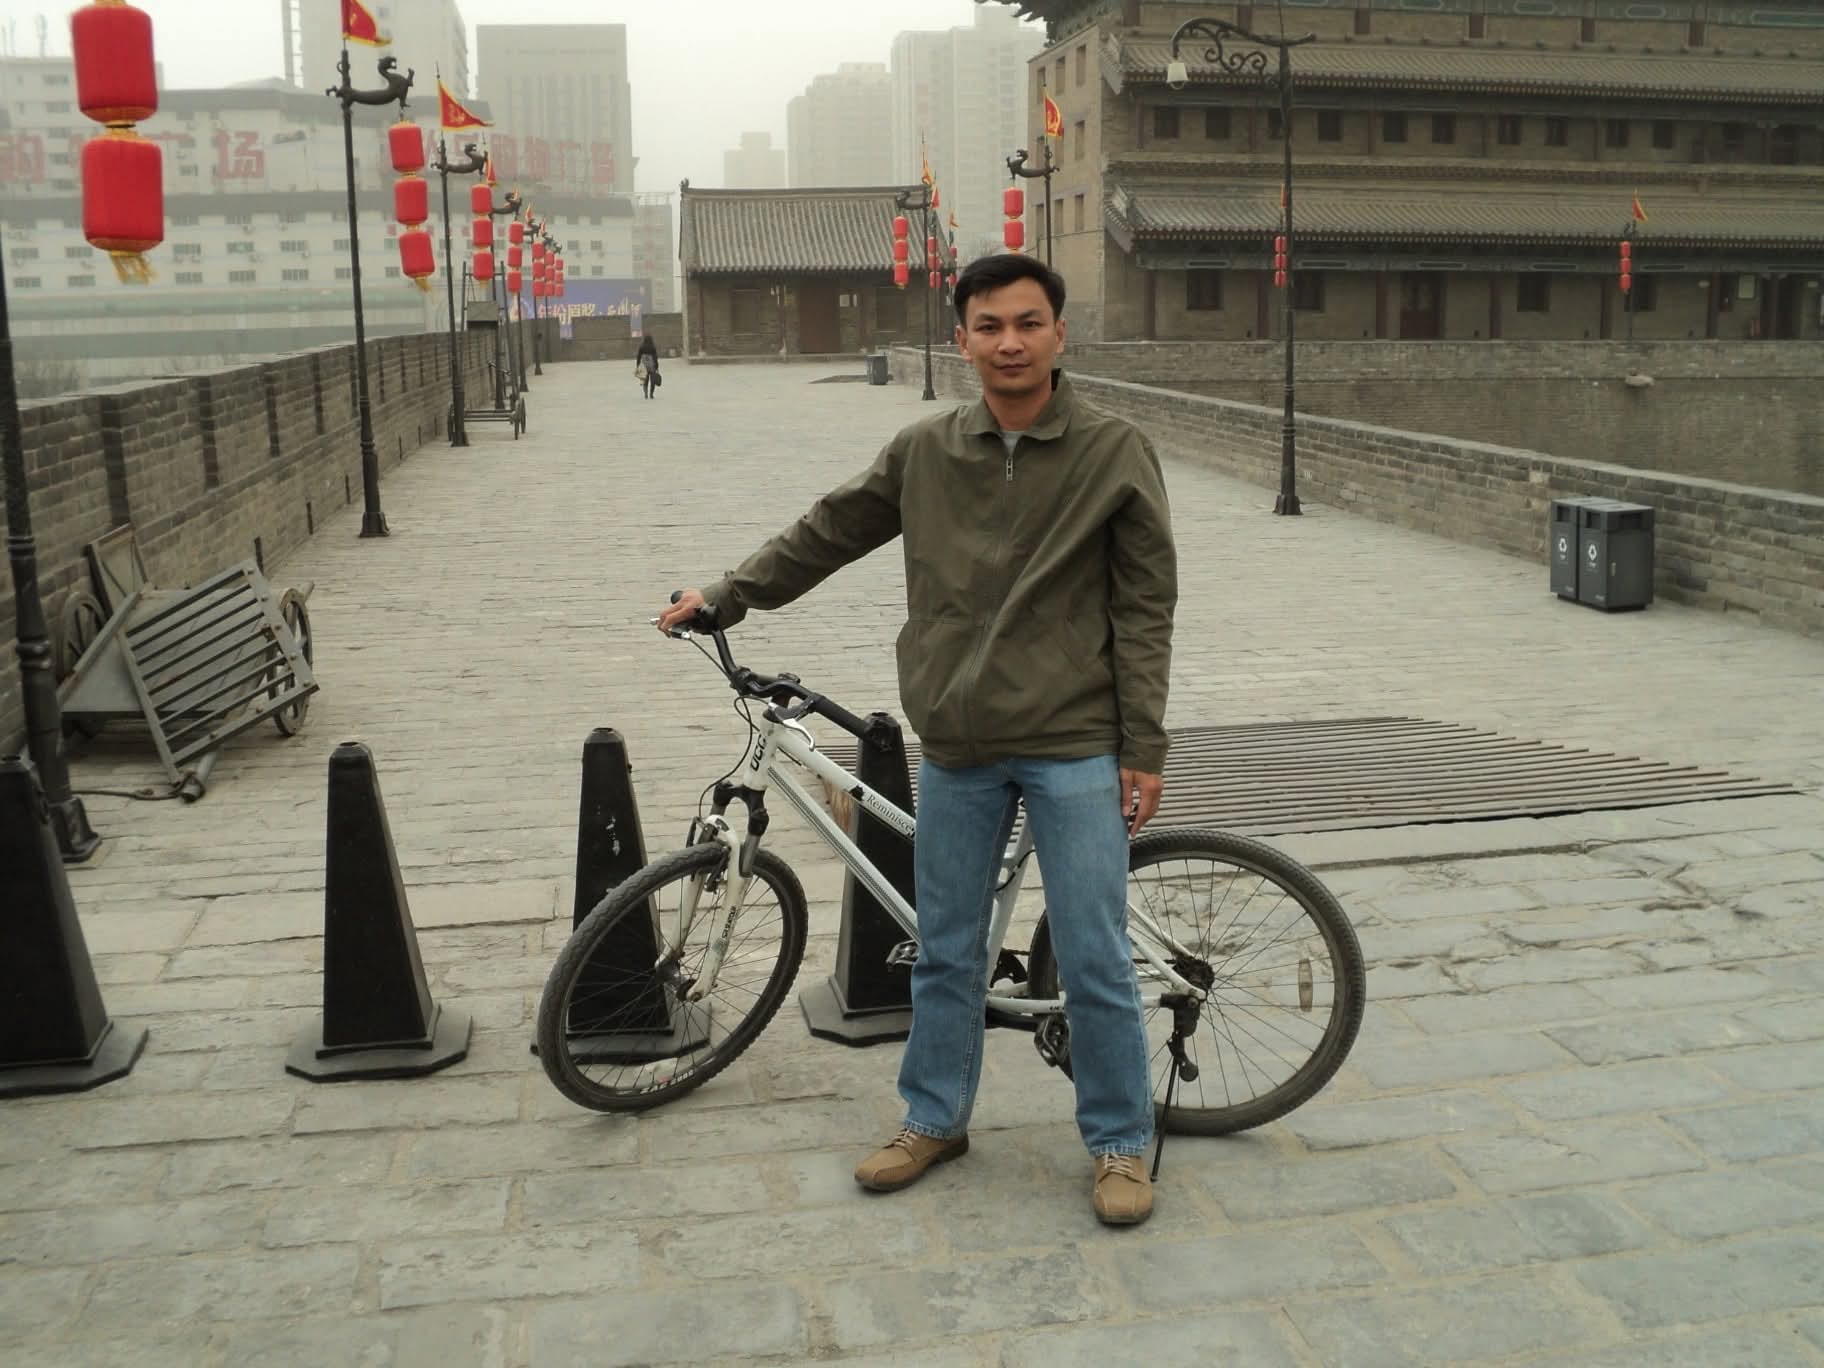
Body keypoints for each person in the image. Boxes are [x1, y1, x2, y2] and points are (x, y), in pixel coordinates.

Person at [656, 254, 1176, 1226]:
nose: (1010, 342)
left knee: (1095, 957)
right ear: (961, 339)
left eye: (1028, 323)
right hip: (960, 745)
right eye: (990, 326)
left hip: (1074, 741)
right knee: (943, 949)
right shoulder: (926, 451)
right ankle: (933, 1119)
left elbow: (1146, 606)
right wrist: (728, 594)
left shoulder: (1114, 451)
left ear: (1060, 334)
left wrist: (1142, 743)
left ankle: (1119, 1139)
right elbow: (828, 531)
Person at [635, 333, 660, 399]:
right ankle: (651, 394)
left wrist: (638, 365)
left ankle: (646, 394)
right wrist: (657, 366)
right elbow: (655, 357)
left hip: (644, 366)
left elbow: (638, 357)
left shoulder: (641, 347)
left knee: (645, 380)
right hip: (652, 366)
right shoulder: (653, 347)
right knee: (653, 380)